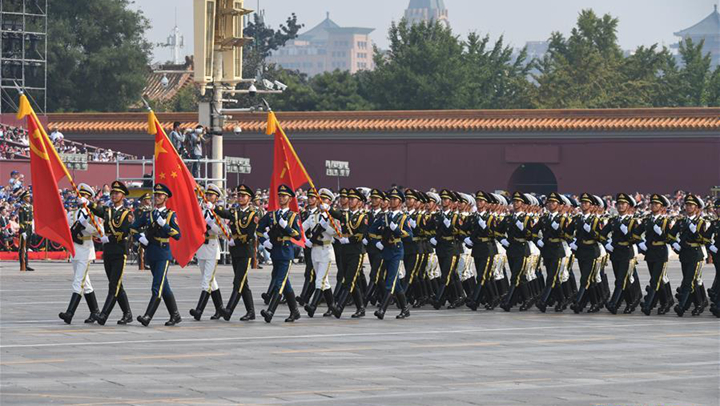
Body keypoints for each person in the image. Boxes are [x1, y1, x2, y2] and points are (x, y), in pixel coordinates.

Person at [131, 183, 182, 326]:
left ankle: (147, 316)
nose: (157, 197)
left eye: (160, 195)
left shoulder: (171, 215)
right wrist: (140, 238)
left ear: (166, 197)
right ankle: (175, 314)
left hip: (163, 253)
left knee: (156, 287)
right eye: (156, 195)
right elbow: (133, 228)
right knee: (163, 286)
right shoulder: (148, 214)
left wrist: (164, 225)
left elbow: (178, 235)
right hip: (151, 252)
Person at [89, 181, 134, 325]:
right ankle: (127, 313)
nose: (114, 195)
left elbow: (124, 232)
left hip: (119, 252)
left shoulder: (127, 213)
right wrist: (88, 203)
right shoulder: (108, 210)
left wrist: (108, 238)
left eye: (117, 193)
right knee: (116, 284)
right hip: (108, 252)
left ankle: (103, 315)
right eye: (113, 193)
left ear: (123, 196)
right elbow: (98, 210)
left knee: (113, 286)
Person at [257, 184, 302, 323]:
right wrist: (265, 242)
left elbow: (298, 235)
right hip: (275, 251)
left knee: (279, 283)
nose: (281, 198)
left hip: (286, 252)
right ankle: (294, 311)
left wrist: (286, 227)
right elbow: (259, 229)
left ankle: (270, 311)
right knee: (284, 282)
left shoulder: (293, 216)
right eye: (280, 195)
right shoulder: (271, 215)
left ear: (290, 199)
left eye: (284, 196)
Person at [58, 184, 101, 324]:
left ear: (88, 198)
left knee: (78, 281)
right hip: (75, 250)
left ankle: (69, 313)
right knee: (85, 282)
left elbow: (99, 232)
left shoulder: (92, 214)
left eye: (84, 196)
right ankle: (95, 312)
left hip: (86, 249)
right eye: (80, 195)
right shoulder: (73, 213)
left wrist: (85, 225)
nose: (80, 198)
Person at [368, 187, 413, 319]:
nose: (392, 201)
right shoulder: (385, 217)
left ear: (400, 202)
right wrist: (377, 242)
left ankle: (382, 310)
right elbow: (371, 231)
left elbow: (409, 236)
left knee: (390, 282)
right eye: (391, 199)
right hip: (385, 251)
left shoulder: (404, 218)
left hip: (396, 252)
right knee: (396, 283)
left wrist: (397, 230)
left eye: (395, 199)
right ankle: (405, 308)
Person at [216, 184, 258, 321]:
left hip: (245, 251)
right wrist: (213, 208)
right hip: (235, 251)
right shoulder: (234, 212)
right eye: (238, 195)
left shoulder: (253, 214)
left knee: (238, 282)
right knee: (243, 283)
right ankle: (251, 312)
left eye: (243, 196)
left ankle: (228, 310)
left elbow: (250, 234)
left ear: (249, 198)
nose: (240, 198)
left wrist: (237, 242)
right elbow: (225, 213)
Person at [189, 184, 227, 321]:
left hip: (212, 247)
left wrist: (212, 225)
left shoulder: (218, 212)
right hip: (201, 248)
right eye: (207, 195)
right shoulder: (201, 210)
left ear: (217, 198)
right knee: (211, 281)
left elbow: (223, 232)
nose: (209, 197)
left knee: (206, 281)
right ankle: (220, 309)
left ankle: (199, 310)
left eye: (212, 195)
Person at [601, 193, 643, 314]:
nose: (620, 206)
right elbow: (602, 234)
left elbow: (636, 238)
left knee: (621, 280)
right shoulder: (613, 221)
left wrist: (628, 234)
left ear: (628, 206)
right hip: (615, 253)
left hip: (626, 253)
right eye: (618, 204)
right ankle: (631, 302)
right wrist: (606, 243)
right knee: (621, 280)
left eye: (623, 204)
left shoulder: (632, 222)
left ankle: (613, 303)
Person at [669, 194, 709, 317]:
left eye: (692, 205)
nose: (689, 207)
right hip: (684, 254)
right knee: (693, 281)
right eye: (687, 205)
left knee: (688, 282)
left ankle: (682, 306)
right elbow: (670, 235)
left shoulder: (701, 223)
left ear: (697, 208)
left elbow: (704, 240)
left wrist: (695, 232)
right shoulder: (681, 222)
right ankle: (700, 303)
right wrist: (675, 245)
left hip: (695, 254)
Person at [302, 188, 339, 318]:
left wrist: (326, 227)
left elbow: (338, 234)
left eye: (325, 200)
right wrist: (307, 241)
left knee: (319, 280)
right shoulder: (313, 216)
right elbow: (301, 228)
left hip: (326, 251)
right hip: (314, 250)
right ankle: (333, 307)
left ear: (330, 202)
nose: (321, 201)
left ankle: (312, 306)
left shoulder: (332, 216)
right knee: (324, 282)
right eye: (320, 199)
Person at [332, 188, 368, 319]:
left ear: (359, 202)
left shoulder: (363, 217)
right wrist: (326, 208)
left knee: (349, 281)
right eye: (350, 198)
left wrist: (348, 239)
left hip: (356, 252)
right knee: (354, 281)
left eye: (353, 199)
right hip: (345, 251)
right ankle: (361, 308)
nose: (350, 201)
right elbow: (337, 215)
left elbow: (361, 234)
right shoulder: (346, 215)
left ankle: (339, 307)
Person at [639, 194, 674, 315]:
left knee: (655, 280)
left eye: (656, 204)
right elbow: (635, 233)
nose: (653, 206)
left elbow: (670, 237)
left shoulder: (665, 221)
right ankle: (666, 302)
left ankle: (648, 305)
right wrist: (640, 243)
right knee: (658, 280)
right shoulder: (647, 220)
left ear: (662, 207)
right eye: (652, 204)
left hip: (660, 252)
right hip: (650, 252)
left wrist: (662, 234)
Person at [17, 190, 33, 271]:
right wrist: (23, 231)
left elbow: (31, 219)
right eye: (27, 197)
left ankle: (26, 264)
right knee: (22, 248)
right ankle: (22, 264)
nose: (29, 198)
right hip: (24, 229)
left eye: (29, 197)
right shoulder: (22, 207)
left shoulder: (30, 207)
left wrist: (32, 227)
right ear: (24, 198)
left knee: (27, 247)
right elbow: (21, 220)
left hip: (29, 228)